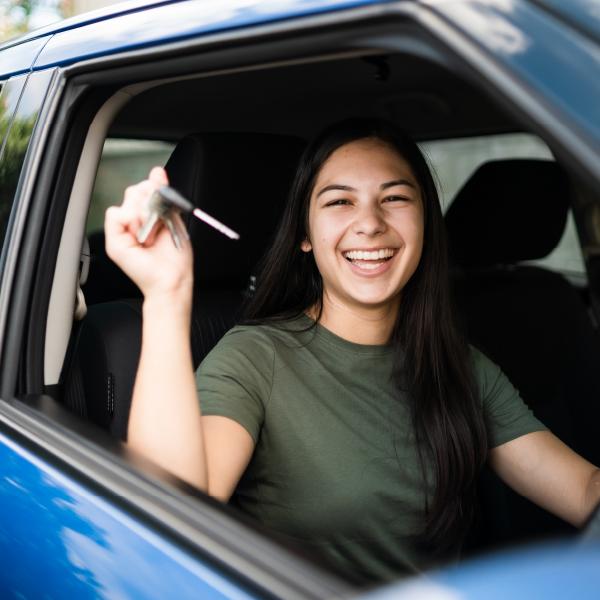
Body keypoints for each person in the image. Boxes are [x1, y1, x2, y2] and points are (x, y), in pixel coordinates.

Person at [105, 119, 600, 584]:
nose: (370, 224)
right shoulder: (256, 357)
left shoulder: (459, 365)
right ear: (303, 234)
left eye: (395, 198)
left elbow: (582, 489)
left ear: (425, 225)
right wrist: (167, 294)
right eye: (340, 202)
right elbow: (169, 511)